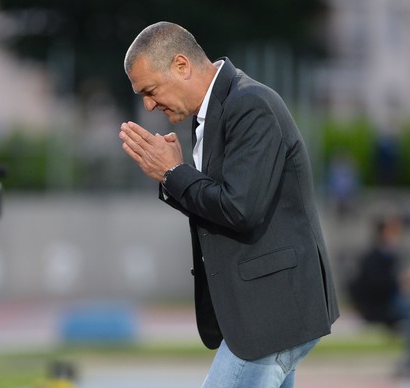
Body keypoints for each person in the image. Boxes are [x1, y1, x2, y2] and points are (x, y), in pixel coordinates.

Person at [119, 22, 340, 387]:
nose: (148, 104)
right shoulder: (216, 111)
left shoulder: (249, 104)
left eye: (151, 90)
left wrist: (174, 172)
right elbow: (222, 202)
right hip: (265, 312)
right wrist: (172, 176)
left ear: (181, 66)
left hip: (271, 313)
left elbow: (240, 209)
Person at [348, 213, 410, 375]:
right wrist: (399, 282)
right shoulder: (373, 257)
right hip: (378, 307)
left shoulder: (391, 256)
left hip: (390, 304)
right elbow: (377, 288)